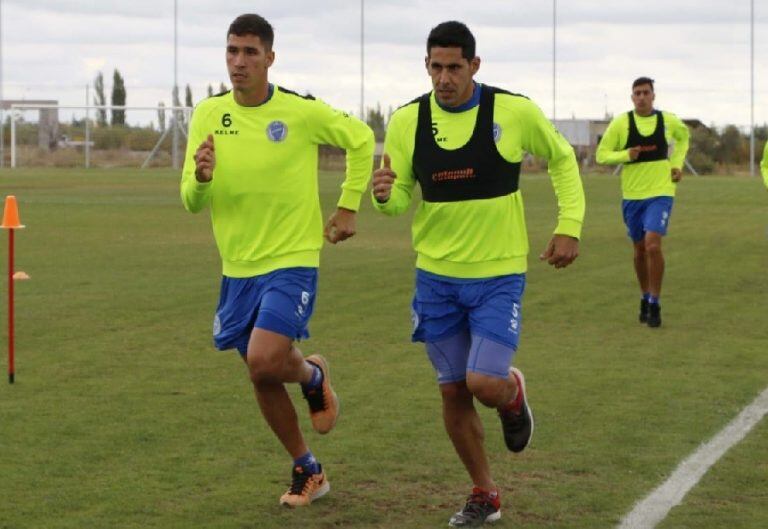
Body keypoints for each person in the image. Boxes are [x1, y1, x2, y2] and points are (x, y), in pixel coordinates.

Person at [371, 21, 585, 527]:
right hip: (435, 278)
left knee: (483, 382)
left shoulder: (513, 111)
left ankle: (512, 394)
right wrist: (384, 196)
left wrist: (569, 225)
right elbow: (400, 200)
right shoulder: (405, 122)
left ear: (474, 65)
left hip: (498, 275)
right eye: (435, 67)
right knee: (452, 391)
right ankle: (484, 493)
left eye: (454, 67)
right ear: (426, 66)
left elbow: (562, 160)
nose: (444, 78)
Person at [180, 14, 374, 507]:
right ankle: (308, 461)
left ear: (270, 57)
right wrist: (201, 177)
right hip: (237, 266)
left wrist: (349, 204)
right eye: (231, 52)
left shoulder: (299, 111)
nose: (238, 62)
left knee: (265, 359)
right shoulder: (207, 115)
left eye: (249, 52)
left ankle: (310, 377)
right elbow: (190, 200)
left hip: (292, 257)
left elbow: (361, 138)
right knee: (261, 371)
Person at [596, 77, 690, 328]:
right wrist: (626, 155)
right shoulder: (621, 124)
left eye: (646, 92)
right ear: (631, 97)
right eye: (637, 93)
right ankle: (645, 295)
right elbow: (601, 155)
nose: (641, 97)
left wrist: (677, 164)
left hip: (661, 192)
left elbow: (684, 138)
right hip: (632, 196)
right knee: (638, 250)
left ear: (653, 96)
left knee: (652, 245)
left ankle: (656, 302)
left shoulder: (667, 120)